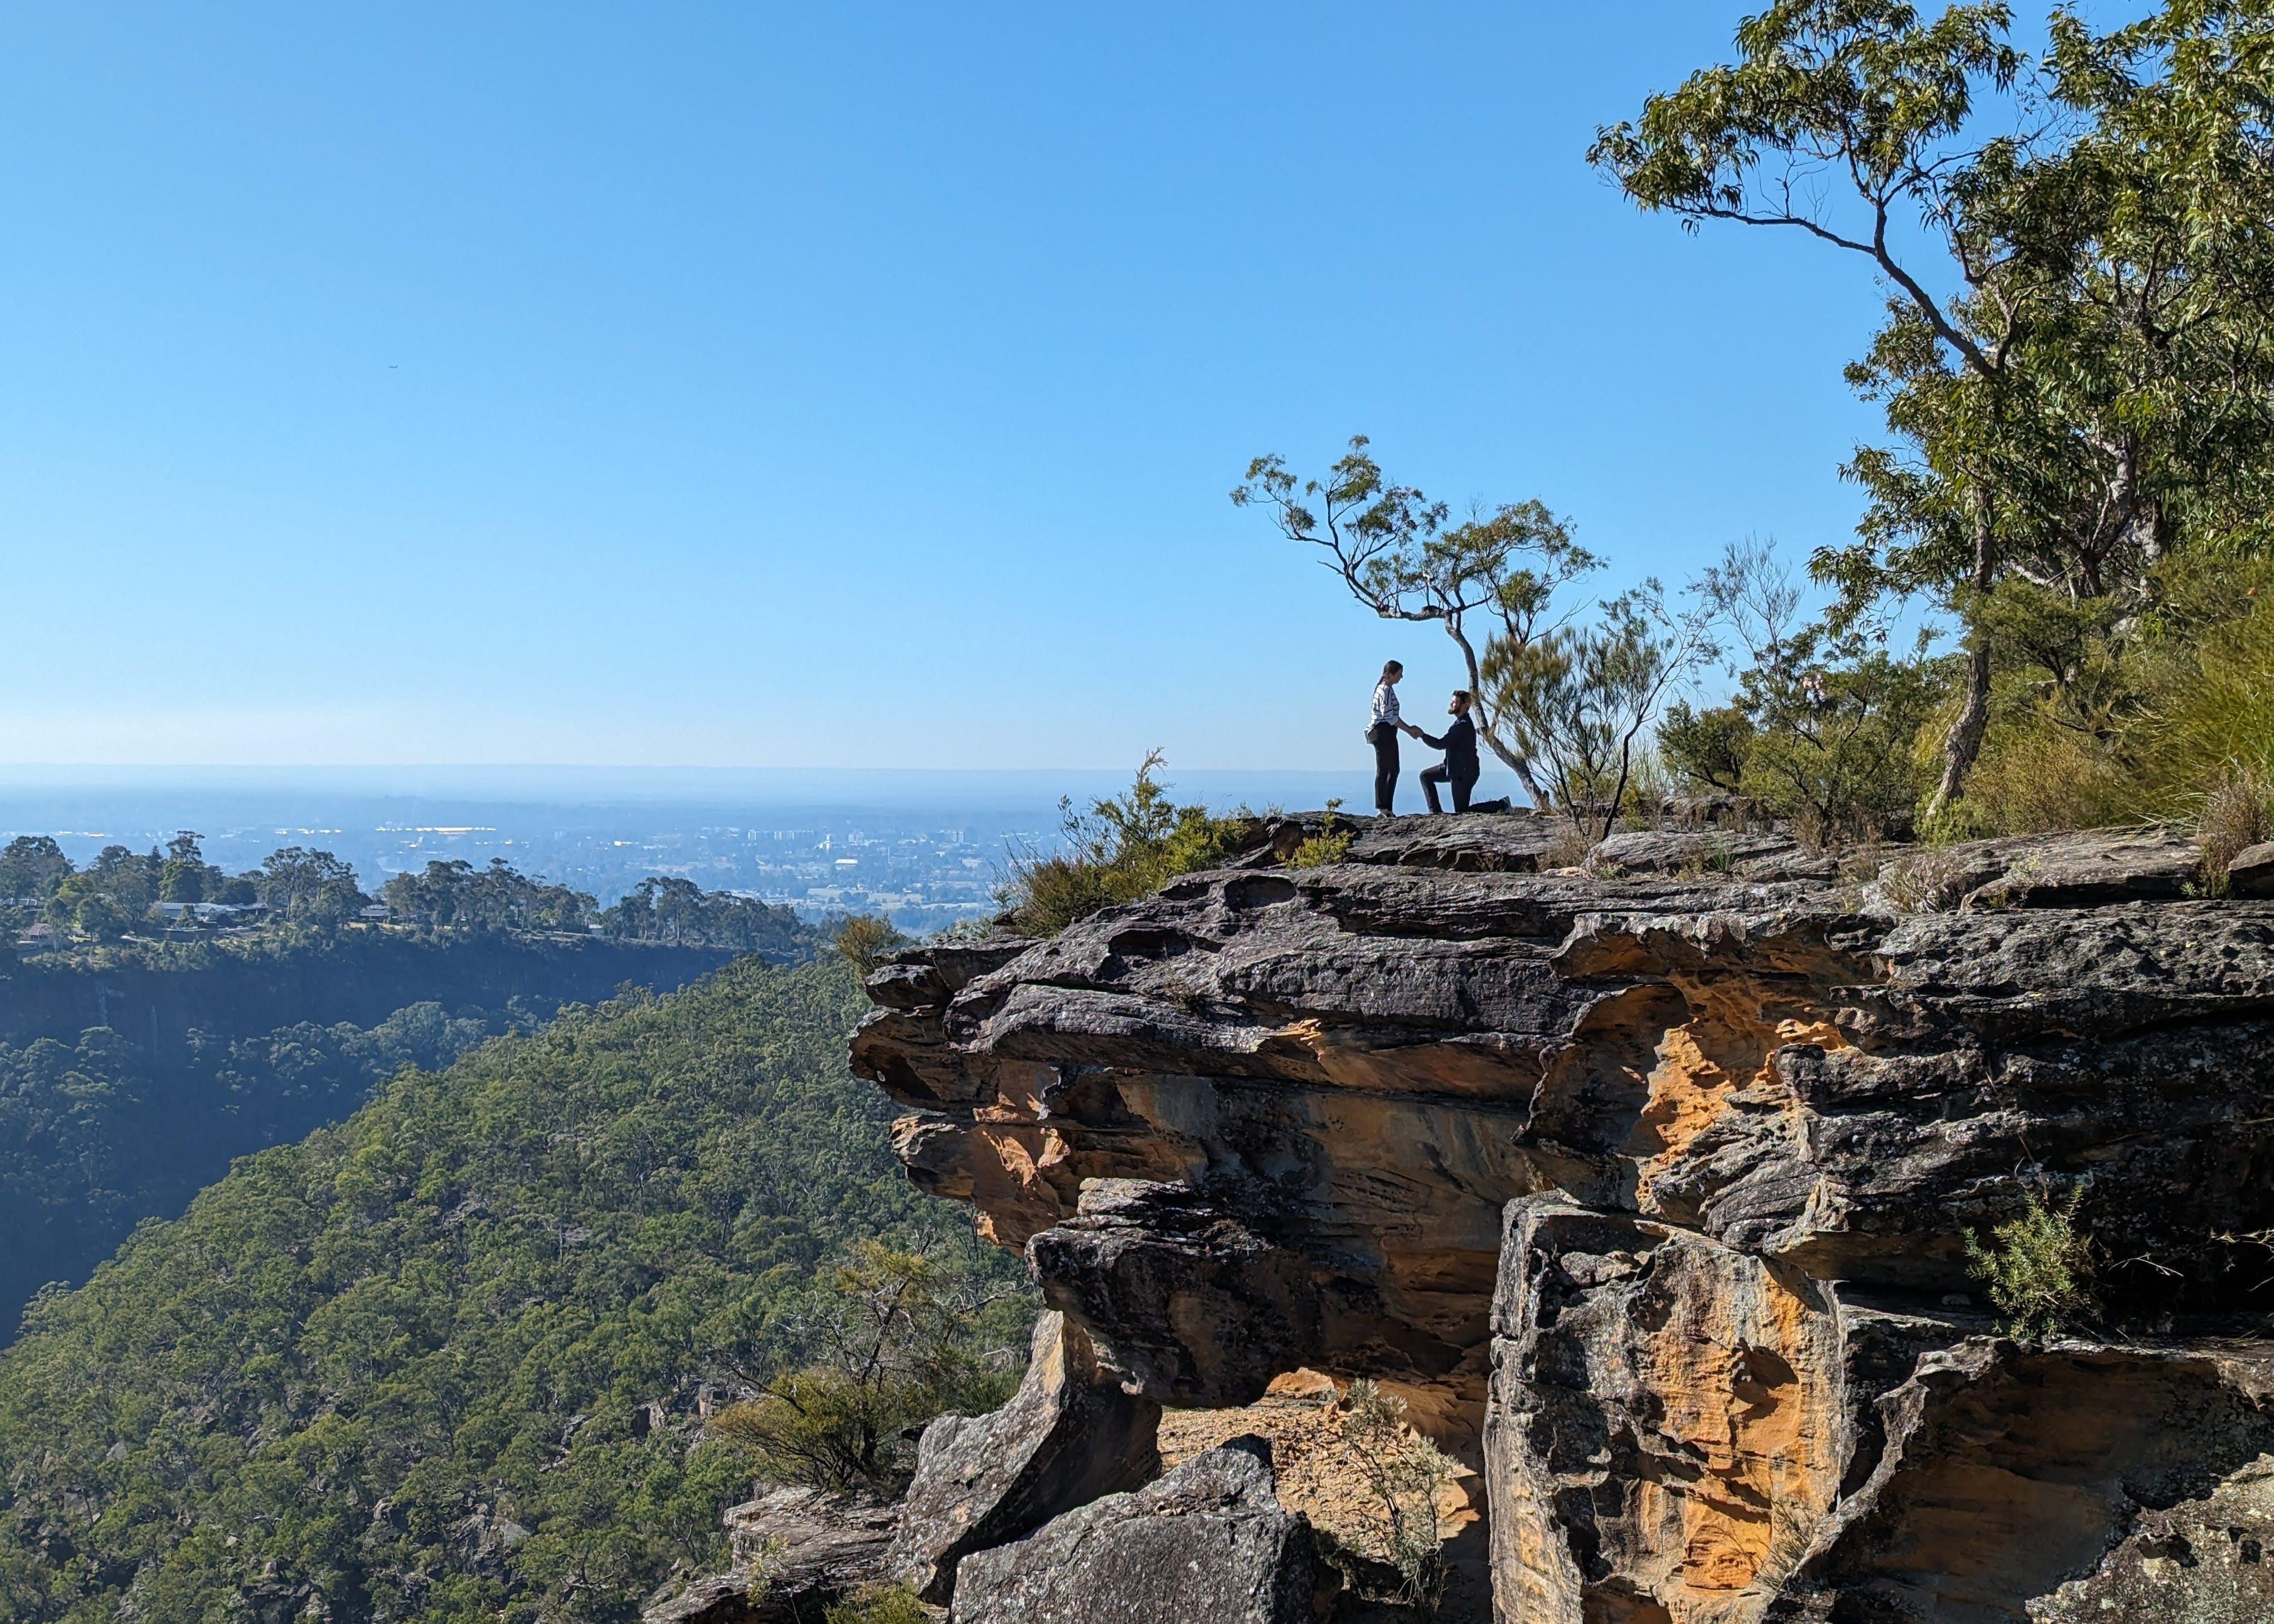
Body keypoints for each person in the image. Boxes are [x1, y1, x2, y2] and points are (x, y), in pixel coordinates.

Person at [1418, 690, 1481, 814]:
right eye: (1452, 702)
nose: (1452, 705)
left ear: (1465, 706)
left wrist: (1422, 735)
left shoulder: (1463, 725)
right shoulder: (1460, 723)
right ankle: (1435, 812)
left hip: (1464, 774)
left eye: (1455, 703)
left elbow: (1441, 744)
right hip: (1452, 769)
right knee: (1425, 776)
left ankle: (1501, 805)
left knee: (1462, 812)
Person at [1367, 660, 1411, 815]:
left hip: (1386, 732)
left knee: (1392, 769)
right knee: (1386, 769)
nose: (1401, 677)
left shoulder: (1386, 689)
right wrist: (1409, 730)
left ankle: (1387, 807)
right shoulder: (1384, 690)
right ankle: (1383, 807)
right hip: (1383, 731)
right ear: (1390, 674)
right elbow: (1389, 717)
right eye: (1399, 674)